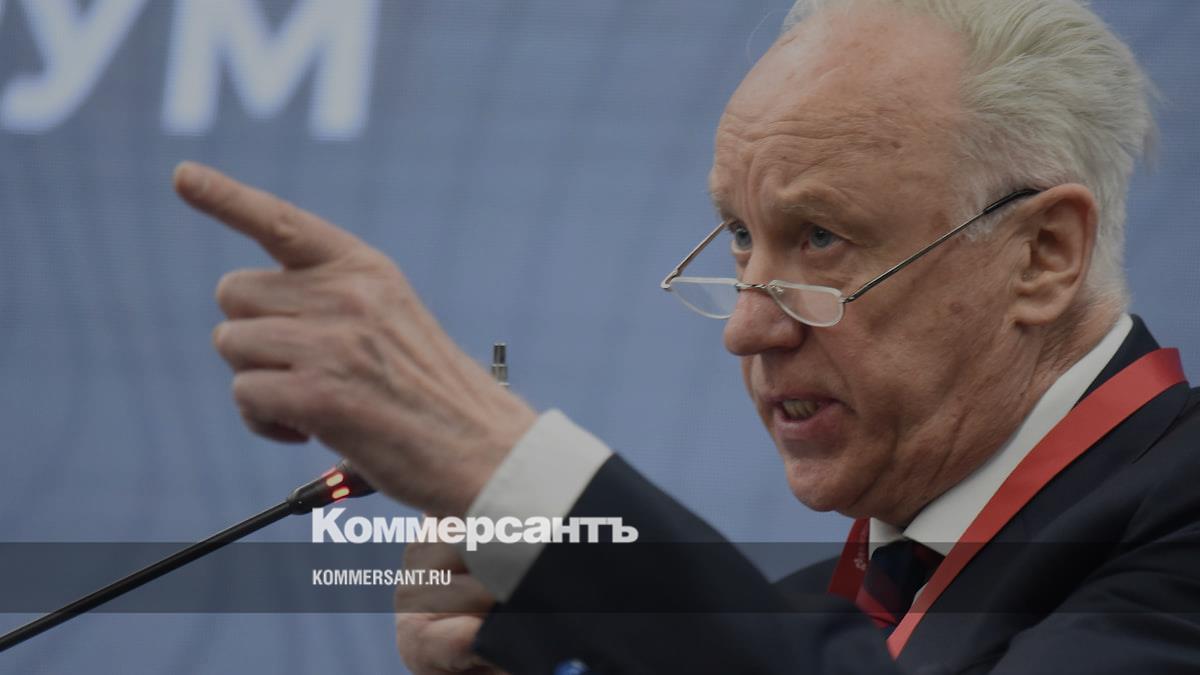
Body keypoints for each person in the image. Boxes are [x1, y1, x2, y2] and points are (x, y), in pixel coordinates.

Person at [173, 0, 1200, 672]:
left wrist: (521, 479)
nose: (748, 324)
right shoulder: (800, 617)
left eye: (822, 237)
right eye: (744, 237)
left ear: (1041, 256)